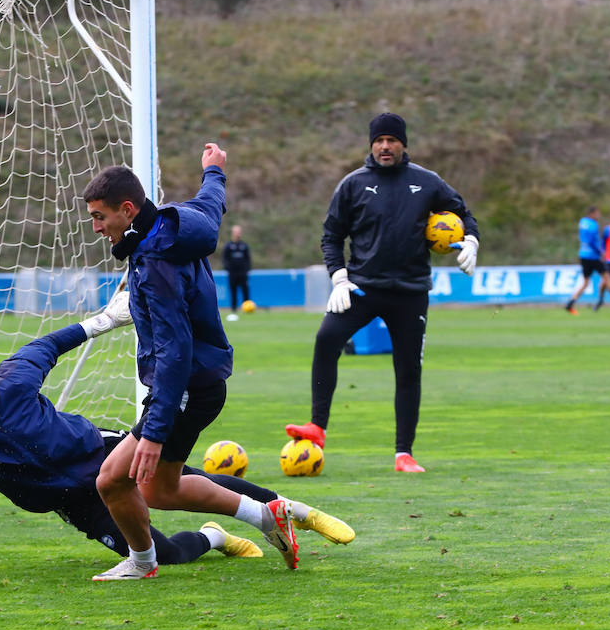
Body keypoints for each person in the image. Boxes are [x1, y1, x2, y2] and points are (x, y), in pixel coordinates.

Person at [0, 305, 355, 575]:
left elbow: (49, 344)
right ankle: (215, 538)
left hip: (100, 452)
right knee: (165, 555)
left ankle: (297, 510)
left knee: (184, 483)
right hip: (75, 502)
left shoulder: (14, 379)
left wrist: (105, 321)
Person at [82, 144, 303, 580]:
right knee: (159, 489)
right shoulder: (179, 221)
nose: (96, 228)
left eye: (99, 217)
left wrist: (154, 432)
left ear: (127, 210)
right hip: (200, 383)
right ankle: (265, 515)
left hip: (183, 387)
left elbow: (175, 350)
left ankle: (143, 563)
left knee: (111, 480)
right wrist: (214, 171)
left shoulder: (156, 262)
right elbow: (211, 204)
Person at [283, 112, 479, 474]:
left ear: (403, 144)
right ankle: (317, 426)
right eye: (379, 141)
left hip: (411, 291)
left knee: (408, 369)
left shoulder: (427, 182)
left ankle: (404, 453)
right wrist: (339, 277)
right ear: (371, 145)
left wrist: (471, 241)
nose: (385, 146)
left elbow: (464, 215)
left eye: (392, 140)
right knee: (326, 339)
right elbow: (331, 236)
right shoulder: (353, 184)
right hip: (361, 287)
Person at [564, 206, 610, 314]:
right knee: (608, 278)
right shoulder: (593, 225)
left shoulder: (582, 222)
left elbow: (584, 238)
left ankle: (570, 304)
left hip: (583, 255)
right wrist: (600, 253)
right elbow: (591, 242)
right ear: (591, 214)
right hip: (593, 257)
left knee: (586, 283)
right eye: (597, 213)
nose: (599, 215)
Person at [222, 224, 252, 317]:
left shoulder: (244, 245)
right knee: (233, 291)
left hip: (243, 273)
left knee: (245, 291)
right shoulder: (228, 246)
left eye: (239, 232)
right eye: (236, 232)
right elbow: (225, 258)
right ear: (232, 233)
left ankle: (247, 309)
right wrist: (228, 268)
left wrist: (247, 269)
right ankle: (234, 309)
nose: (238, 233)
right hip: (232, 273)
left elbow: (248, 259)